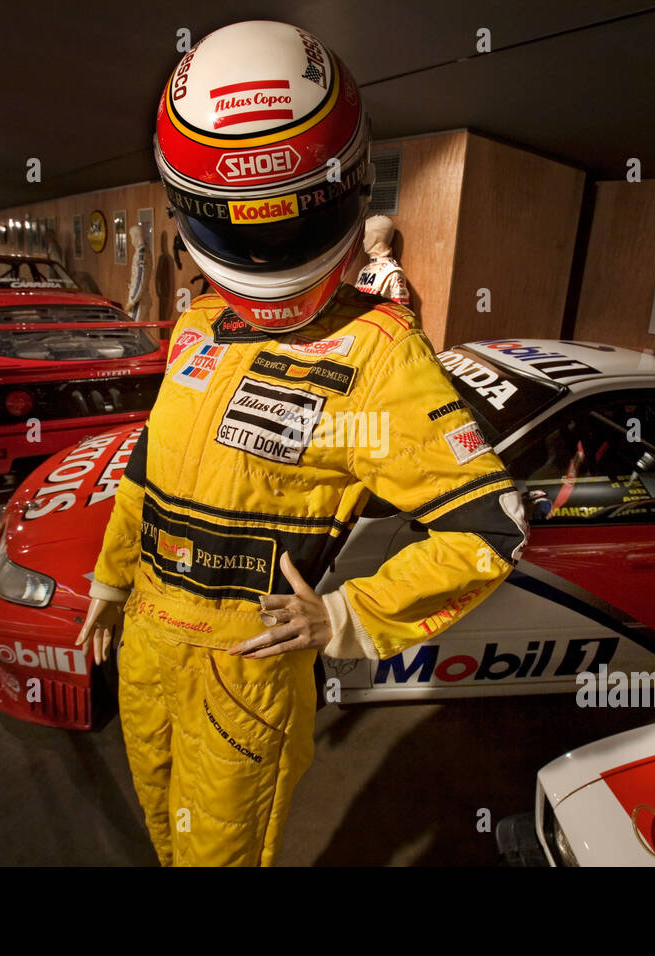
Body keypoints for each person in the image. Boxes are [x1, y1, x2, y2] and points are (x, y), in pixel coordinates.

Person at [76, 19, 527, 867]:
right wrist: (109, 578)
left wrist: (347, 616)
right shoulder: (199, 326)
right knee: (163, 835)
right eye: (235, 224)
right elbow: (148, 468)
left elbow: (490, 529)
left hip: (243, 663)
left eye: (282, 221)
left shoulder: (379, 354)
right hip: (145, 639)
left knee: (221, 858)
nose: (261, 251)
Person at [354, 215, 411, 306]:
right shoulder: (364, 270)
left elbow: (401, 313)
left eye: (365, 236)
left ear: (376, 238)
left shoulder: (393, 272)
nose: (363, 240)